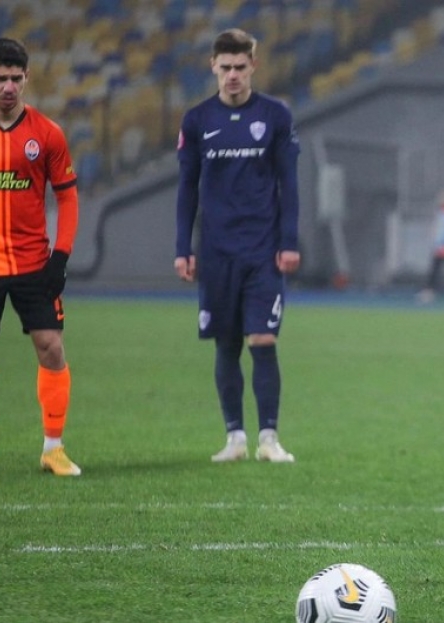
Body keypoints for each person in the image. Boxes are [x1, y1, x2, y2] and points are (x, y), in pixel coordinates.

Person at [175, 29, 301, 463]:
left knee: (262, 339)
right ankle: (235, 438)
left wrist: (289, 241)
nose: (232, 75)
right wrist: (182, 247)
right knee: (226, 344)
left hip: (263, 251)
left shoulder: (275, 116)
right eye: (225, 67)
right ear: (213, 66)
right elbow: (187, 188)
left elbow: (289, 183)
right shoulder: (197, 120)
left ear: (253, 66)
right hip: (216, 252)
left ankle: (269, 437)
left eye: (240, 67)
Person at [0, 38, 81, 476]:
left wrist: (60, 257)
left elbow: (67, 198)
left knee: (51, 347)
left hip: (33, 264)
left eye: (16, 78)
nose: (8, 87)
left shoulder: (47, 133)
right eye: (0, 78)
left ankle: (53, 447)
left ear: (27, 77)